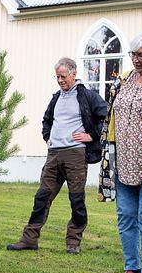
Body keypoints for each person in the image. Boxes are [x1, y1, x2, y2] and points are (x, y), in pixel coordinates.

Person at [7, 57, 107, 254]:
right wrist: (48, 138)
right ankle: (29, 239)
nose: (60, 80)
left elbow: (105, 116)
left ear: (74, 73)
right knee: (42, 197)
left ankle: (73, 242)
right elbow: (46, 120)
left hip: (75, 155)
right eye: (57, 77)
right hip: (54, 155)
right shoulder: (56, 98)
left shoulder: (87, 96)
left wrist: (92, 135)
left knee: (76, 199)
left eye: (63, 76)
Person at [99, 31, 142, 273]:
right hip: (122, 159)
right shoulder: (125, 80)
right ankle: (132, 268)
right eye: (133, 54)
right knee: (125, 216)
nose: (136, 60)